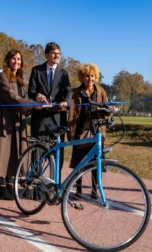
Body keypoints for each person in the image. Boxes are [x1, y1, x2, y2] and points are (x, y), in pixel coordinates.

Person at [0, 49, 36, 200]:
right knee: (1, 152)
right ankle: (1, 187)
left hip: (17, 121)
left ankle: (10, 185)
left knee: (14, 152)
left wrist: (37, 100)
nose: (16, 62)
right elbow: (11, 97)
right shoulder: (2, 76)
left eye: (19, 59)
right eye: (13, 59)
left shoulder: (19, 79)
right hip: (2, 121)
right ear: (8, 60)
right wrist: (33, 104)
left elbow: (23, 97)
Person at [28, 42, 72, 178]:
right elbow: (31, 90)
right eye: (54, 53)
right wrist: (37, 95)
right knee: (37, 152)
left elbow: (69, 91)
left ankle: (55, 185)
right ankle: (35, 185)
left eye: (59, 53)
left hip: (58, 119)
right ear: (46, 55)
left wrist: (66, 102)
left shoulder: (64, 74)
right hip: (40, 118)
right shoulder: (36, 70)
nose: (57, 55)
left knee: (57, 153)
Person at [67, 63, 109, 199]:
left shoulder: (101, 91)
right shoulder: (75, 92)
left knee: (96, 163)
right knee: (79, 164)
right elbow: (70, 109)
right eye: (87, 76)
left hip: (97, 133)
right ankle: (78, 191)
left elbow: (107, 109)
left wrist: (109, 110)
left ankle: (94, 190)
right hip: (80, 132)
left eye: (92, 76)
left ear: (95, 77)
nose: (90, 79)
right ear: (82, 77)